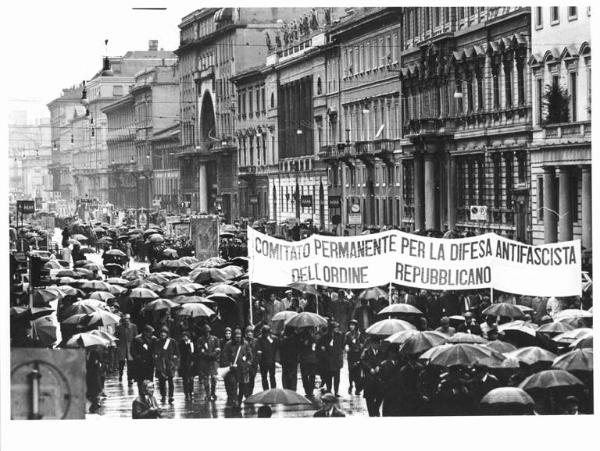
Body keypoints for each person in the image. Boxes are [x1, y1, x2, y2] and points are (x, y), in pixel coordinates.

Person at [222, 327, 253, 408]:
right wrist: (229, 364)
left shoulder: (245, 344)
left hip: (243, 370)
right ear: (234, 336)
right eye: (236, 337)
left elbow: (250, 356)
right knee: (233, 386)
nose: (238, 338)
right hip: (233, 370)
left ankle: (239, 401)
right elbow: (224, 357)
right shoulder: (228, 344)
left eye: (239, 337)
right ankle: (235, 401)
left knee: (242, 386)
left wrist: (248, 364)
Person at [153, 326, 179, 404]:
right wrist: (156, 358)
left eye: (164, 334)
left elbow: (177, 352)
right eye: (161, 334)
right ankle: (163, 396)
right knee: (161, 381)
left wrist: (175, 360)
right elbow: (155, 352)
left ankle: (171, 396)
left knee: (170, 381)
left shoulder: (172, 341)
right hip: (161, 363)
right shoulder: (157, 342)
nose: (162, 335)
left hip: (170, 363)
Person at [318, 321, 344, 397]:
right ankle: (329, 390)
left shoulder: (339, 336)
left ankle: (336, 391)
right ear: (331, 329)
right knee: (328, 376)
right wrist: (324, 352)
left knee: (337, 376)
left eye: (337, 328)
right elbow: (320, 347)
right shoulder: (324, 337)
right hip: (328, 359)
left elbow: (342, 346)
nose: (336, 329)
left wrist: (340, 356)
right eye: (335, 328)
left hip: (336, 359)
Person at [195, 324, 220, 401]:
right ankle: (208, 394)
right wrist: (206, 354)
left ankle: (213, 392)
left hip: (213, 361)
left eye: (208, 331)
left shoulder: (215, 339)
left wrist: (213, 354)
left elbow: (218, 349)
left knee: (214, 378)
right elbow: (200, 351)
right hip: (204, 361)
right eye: (205, 331)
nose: (207, 333)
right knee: (205, 378)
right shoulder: (200, 340)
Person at [360, 336, 384, 416]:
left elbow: (383, 360)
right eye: (376, 343)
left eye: (379, 343)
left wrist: (379, 366)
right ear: (372, 344)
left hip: (378, 378)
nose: (378, 345)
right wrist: (370, 369)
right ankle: (371, 413)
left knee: (380, 396)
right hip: (369, 378)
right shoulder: (366, 352)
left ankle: (376, 409)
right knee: (369, 397)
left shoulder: (381, 352)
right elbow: (363, 361)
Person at [131, 325, 157, 393]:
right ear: (145, 332)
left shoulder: (153, 339)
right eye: (149, 332)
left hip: (150, 362)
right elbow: (133, 351)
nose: (151, 334)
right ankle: (141, 394)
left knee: (150, 379)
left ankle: (150, 393)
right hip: (140, 364)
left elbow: (156, 349)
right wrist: (138, 358)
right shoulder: (137, 339)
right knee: (140, 380)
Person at [115, 313, 138, 385]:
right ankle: (120, 375)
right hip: (122, 347)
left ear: (129, 320)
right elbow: (116, 337)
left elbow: (136, 337)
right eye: (125, 320)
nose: (126, 321)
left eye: (127, 319)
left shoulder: (133, 326)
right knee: (121, 363)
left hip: (130, 348)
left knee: (130, 364)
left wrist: (135, 346)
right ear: (123, 320)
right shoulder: (119, 327)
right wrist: (118, 345)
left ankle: (130, 378)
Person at [344, 319, 365, 395]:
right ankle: (350, 386)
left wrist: (360, 346)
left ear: (356, 326)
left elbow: (363, 343)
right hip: (351, 355)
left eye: (353, 325)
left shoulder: (359, 334)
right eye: (350, 325)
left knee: (358, 373)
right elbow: (345, 343)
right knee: (351, 371)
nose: (351, 326)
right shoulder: (347, 334)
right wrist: (346, 347)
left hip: (358, 355)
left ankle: (357, 388)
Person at [256, 325, 278, 390]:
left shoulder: (273, 338)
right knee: (264, 377)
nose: (266, 334)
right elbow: (258, 348)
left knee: (272, 377)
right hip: (263, 361)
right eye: (264, 332)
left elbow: (276, 347)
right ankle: (266, 390)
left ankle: (273, 390)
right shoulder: (259, 338)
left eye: (267, 332)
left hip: (271, 360)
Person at [298, 328, 317, 398]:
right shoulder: (302, 336)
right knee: (307, 375)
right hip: (306, 358)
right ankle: (309, 390)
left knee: (308, 375)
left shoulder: (313, 336)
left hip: (310, 358)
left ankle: (309, 390)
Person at [279, 326, 298, 390]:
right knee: (293, 374)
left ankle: (286, 388)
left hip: (286, 359)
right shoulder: (295, 337)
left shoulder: (283, 337)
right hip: (292, 359)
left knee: (285, 374)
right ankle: (292, 388)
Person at [178, 330, 195, 401]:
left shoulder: (192, 343)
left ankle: (191, 392)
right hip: (184, 364)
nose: (185, 338)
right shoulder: (181, 344)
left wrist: (193, 361)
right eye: (183, 337)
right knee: (185, 379)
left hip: (191, 363)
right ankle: (187, 393)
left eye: (186, 336)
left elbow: (194, 352)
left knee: (191, 379)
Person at [244, 325, 259, 398]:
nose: (249, 333)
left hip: (254, 364)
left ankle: (250, 392)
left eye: (251, 332)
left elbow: (257, 352)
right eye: (248, 332)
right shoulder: (243, 341)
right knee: (246, 379)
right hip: (246, 363)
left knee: (252, 379)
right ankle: (246, 393)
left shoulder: (256, 341)